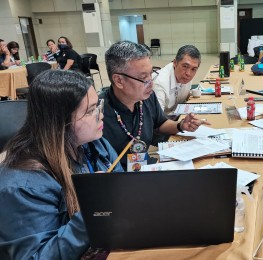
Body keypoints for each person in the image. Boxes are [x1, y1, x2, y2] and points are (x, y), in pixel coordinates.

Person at [0, 69, 123, 258]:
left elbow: (121, 190)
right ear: (60, 122)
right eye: (90, 111)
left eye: (98, 105)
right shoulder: (23, 184)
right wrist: (92, 211)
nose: (100, 115)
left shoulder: (94, 143)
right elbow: (37, 256)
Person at [100, 41, 209, 169]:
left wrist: (181, 125)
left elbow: (161, 123)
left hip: (143, 166)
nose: (151, 83)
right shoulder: (98, 114)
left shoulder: (146, 96)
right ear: (119, 80)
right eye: (143, 77)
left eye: (150, 74)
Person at [153, 45, 201, 114]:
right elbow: (156, 120)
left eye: (194, 69)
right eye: (185, 66)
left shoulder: (184, 76)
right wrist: (179, 124)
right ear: (175, 63)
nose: (188, 73)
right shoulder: (159, 83)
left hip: (177, 116)